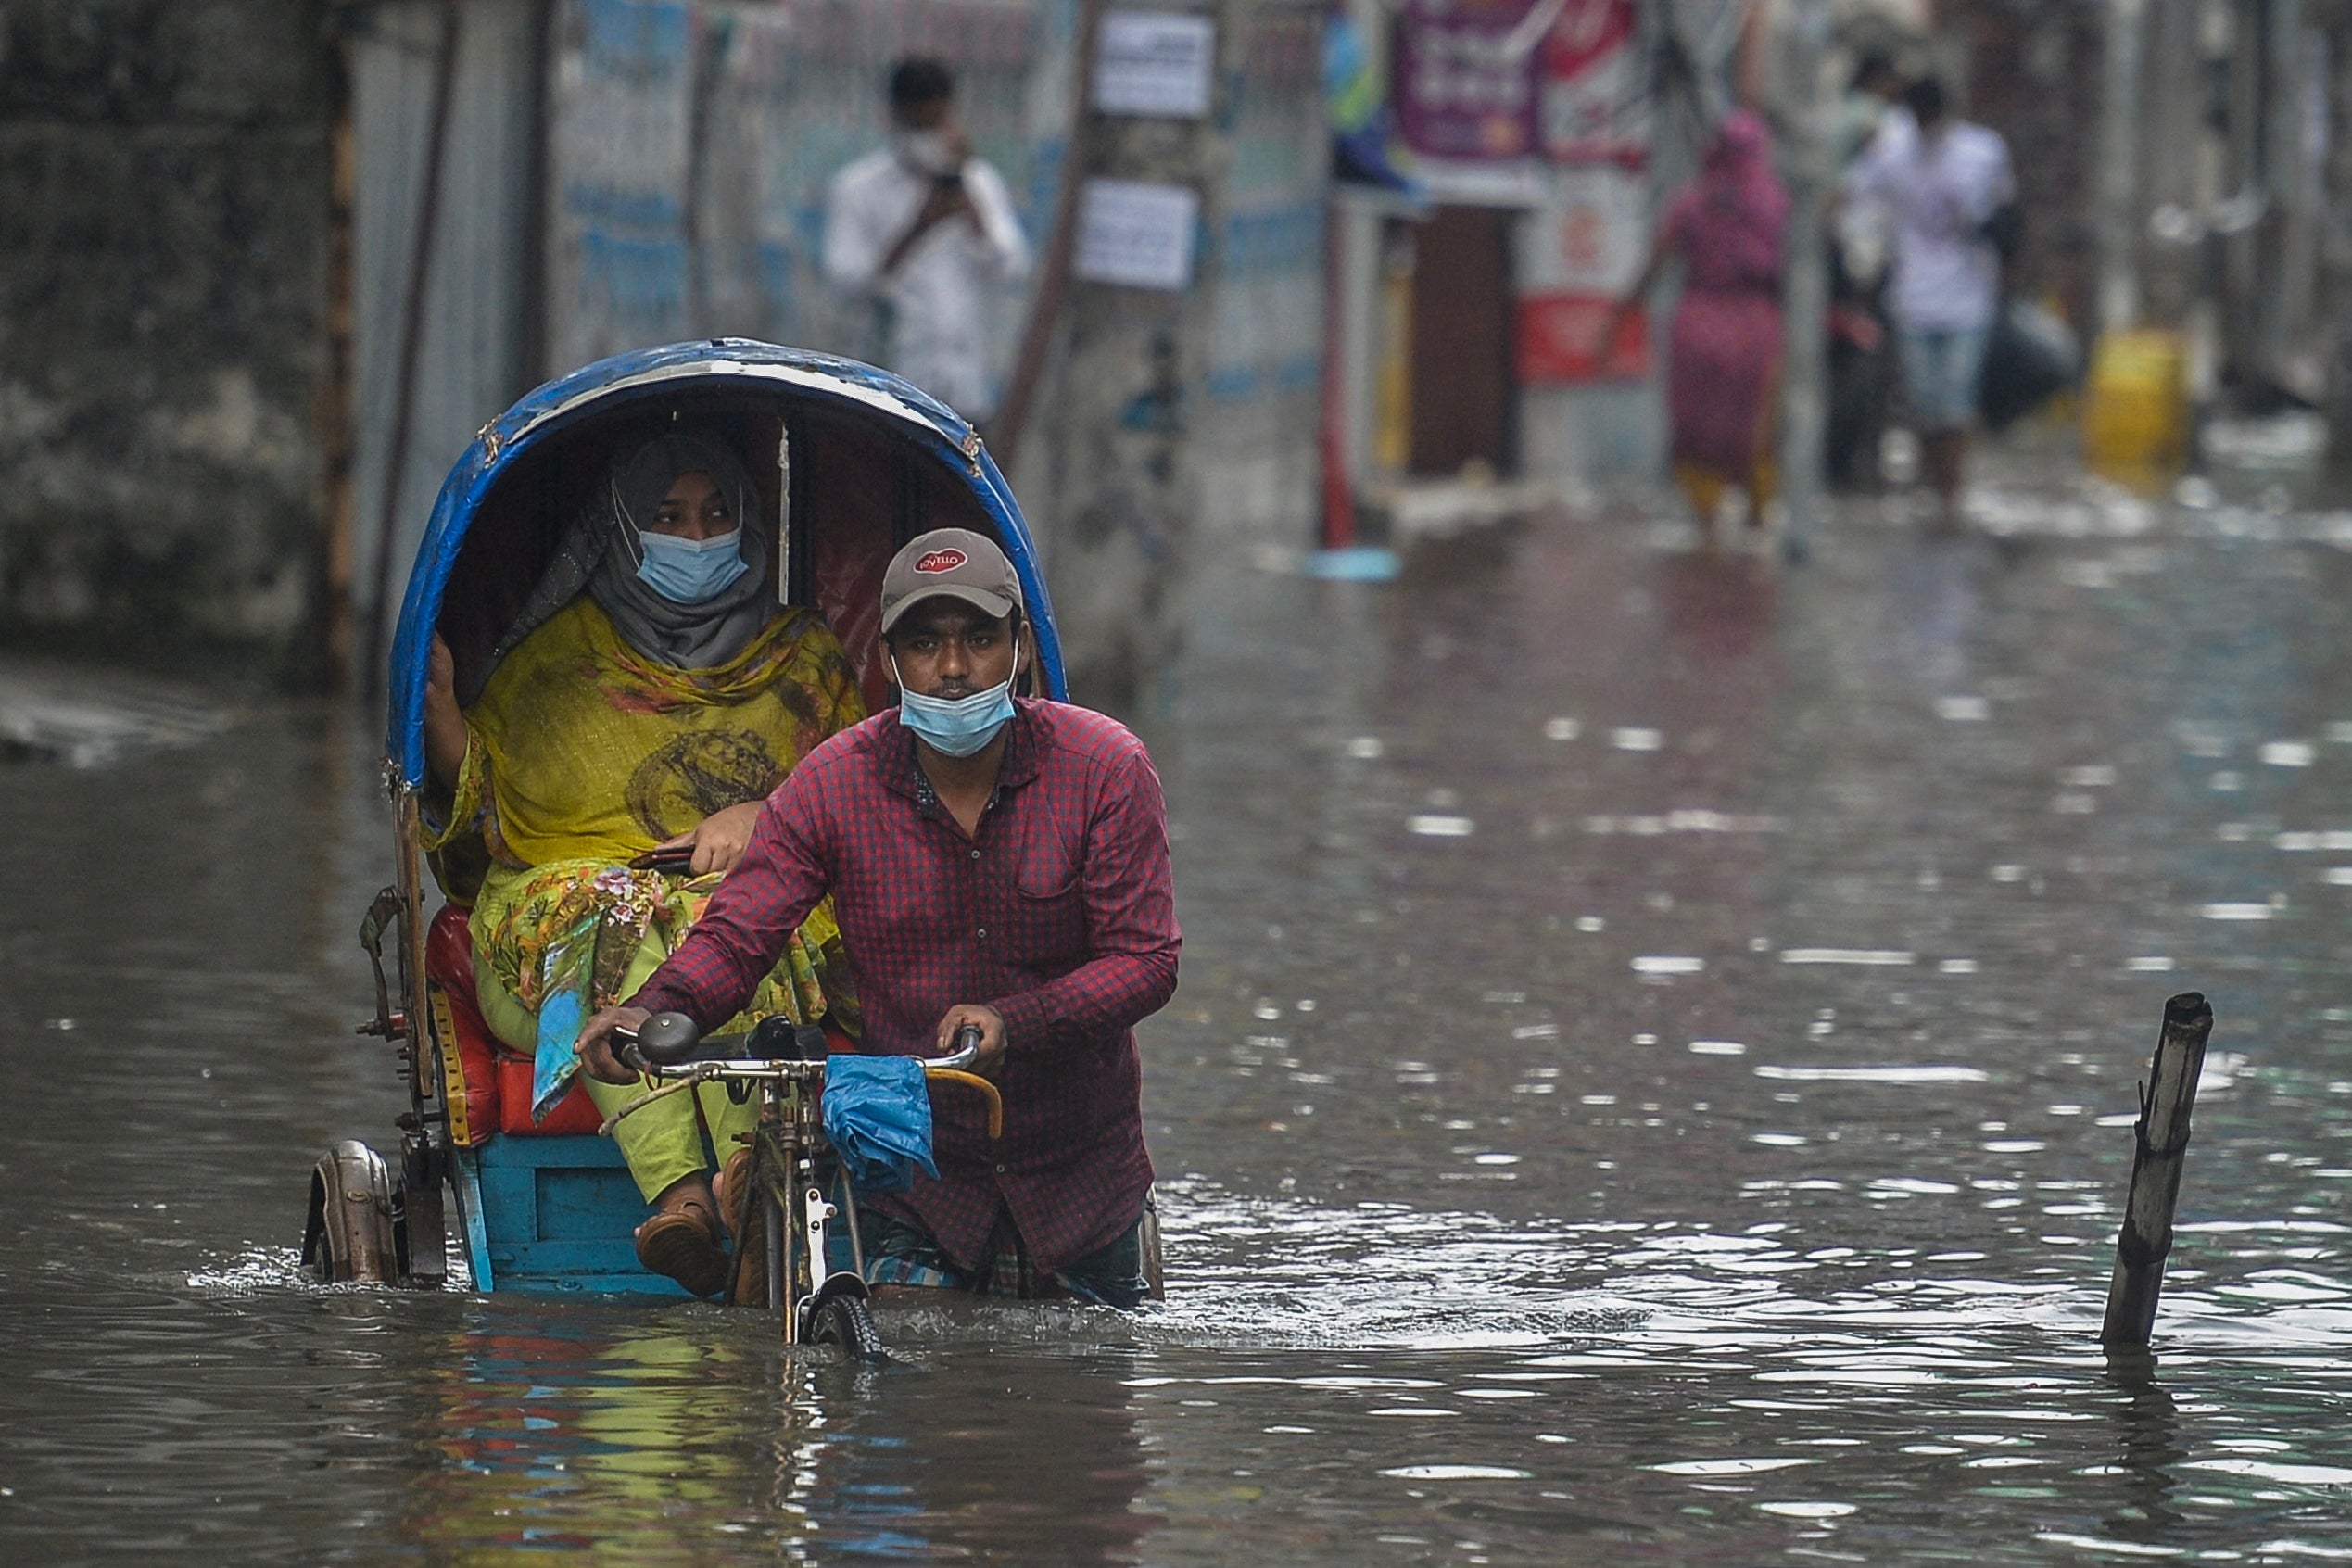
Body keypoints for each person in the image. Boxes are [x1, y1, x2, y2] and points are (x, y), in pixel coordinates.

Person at [575, 528, 1180, 1309]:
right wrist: (656, 1010)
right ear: (891, 662)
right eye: (925, 644)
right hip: (915, 1178)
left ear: (1021, 651)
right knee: (900, 1398)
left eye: (980, 640)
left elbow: (1147, 961)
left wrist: (1016, 1021)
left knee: (1084, 1412)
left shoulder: (1105, 769)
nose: (955, 670)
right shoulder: (832, 785)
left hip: (1080, 1183)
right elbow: (739, 934)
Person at [420, 427, 866, 1297]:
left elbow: (868, 802)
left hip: (747, 916)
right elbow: (482, 834)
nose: (695, 540)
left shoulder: (803, 661)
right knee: (622, 917)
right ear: (625, 530)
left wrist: (768, 815)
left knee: (728, 919)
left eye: (715, 517)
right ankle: (690, 1202)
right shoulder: (555, 663)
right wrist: (439, 719)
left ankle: (739, 1193)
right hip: (552, 946)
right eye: (668, 517)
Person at [1607, 109, 1789, 542]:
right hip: (1757, 329)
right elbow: (1794, 277)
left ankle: (1707, 529)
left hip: (1698, 325)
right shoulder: (1776, 205)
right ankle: (1757, 526)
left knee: (1698, 429)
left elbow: (1655, 263)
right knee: (1757, 430)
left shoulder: (1691, 202)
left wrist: (1616, 320)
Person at [1844, 75, 2016, 521]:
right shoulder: (1891, 151)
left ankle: (1950, 492)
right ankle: (1932, 485)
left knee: (1956, 401)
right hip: (1913, 300)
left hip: (1968, 300)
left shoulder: (1982, 152)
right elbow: (1851, 194)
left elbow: (2006, 219)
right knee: (1924, 402)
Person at [823, 57, 1031, 420]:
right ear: (897, 118)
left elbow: (1012, 268)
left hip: (963, 387)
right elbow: (845, 283)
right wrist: (916, 230)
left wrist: (968, 204)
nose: (928, 136)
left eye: (936, 122)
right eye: (919, 125)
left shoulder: (980, 182)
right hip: (886, 387)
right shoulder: (858, 188)